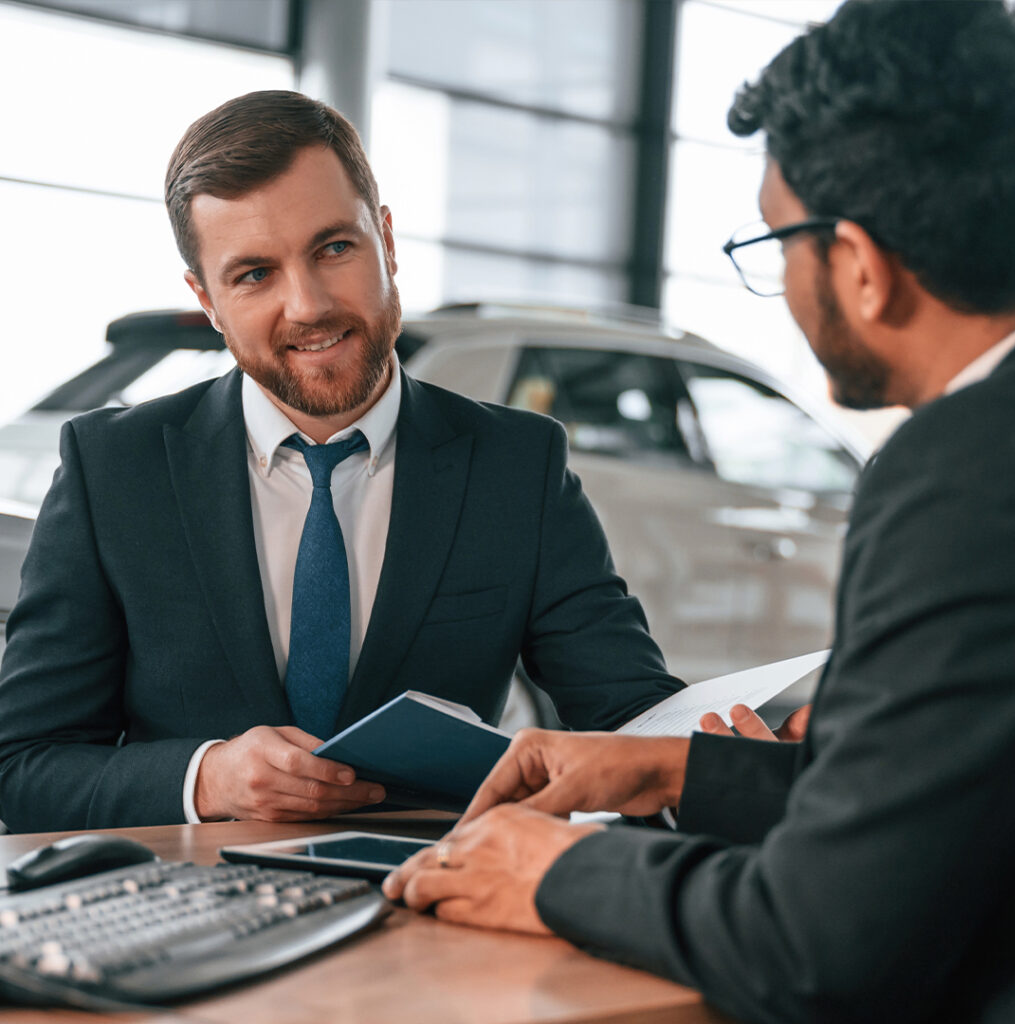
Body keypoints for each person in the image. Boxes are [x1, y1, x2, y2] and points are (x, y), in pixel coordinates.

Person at [384, 3, 1015, 1021]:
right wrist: (675, 767)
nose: (778, 273)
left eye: (776, 240)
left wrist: (548, 871)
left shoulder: (962, 472)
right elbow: (960, 808)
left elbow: (820, 945)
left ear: (856, 263)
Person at [0, 90, 685, 833]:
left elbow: (632, 717)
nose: (308, 305)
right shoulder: (113, 470)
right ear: (207, 300)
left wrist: (730, 757)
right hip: (187, 920)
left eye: (334, 248)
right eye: (255, 274)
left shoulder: (517, 466)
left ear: (385, 241)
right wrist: (208, 780)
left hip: (433, 906)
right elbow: (26, 764)